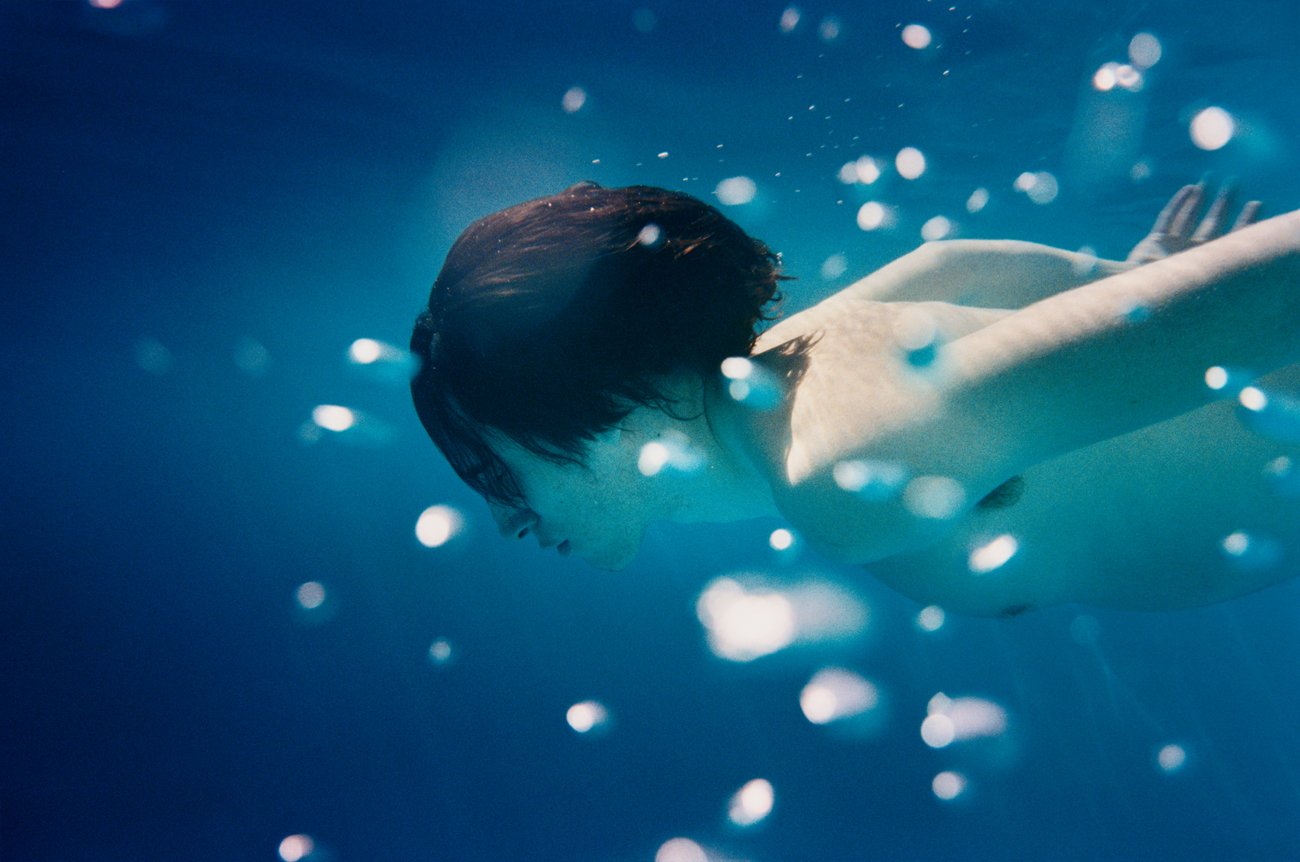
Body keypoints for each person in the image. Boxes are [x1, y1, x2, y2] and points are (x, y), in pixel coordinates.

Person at [410, 182, 1300, 615]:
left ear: (584, 391)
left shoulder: (837, 464)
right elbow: (960, 264)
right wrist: (1139, 283)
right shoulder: (792, 373)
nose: (503, 521)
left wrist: (1165, 297)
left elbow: (1195, 328)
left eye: (490, 466)